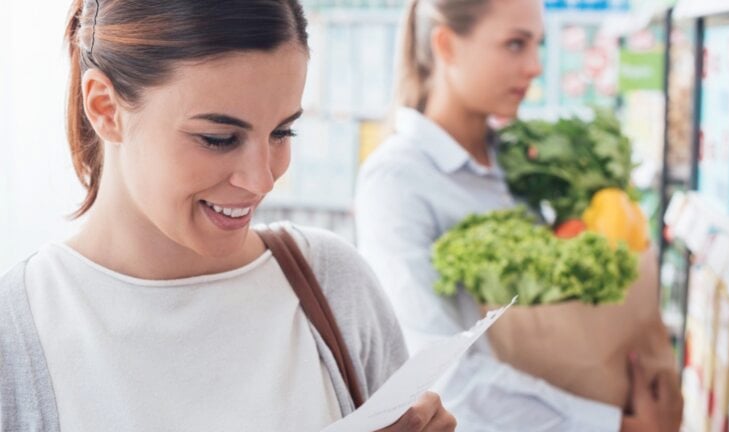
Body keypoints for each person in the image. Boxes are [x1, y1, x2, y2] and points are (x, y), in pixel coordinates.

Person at [0, 1, 457, 431]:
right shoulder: (16, 333)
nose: (262, 180)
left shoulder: (333, 285)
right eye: (218, 138)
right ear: (104, 107)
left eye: (282, 131)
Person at [354, 0, 683, 430]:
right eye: (515, 45)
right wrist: (615, 425)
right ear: (446, 45)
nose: (534, 67)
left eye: (538, 46)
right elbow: (441, 374)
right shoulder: (397, 179)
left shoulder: (518, 161)